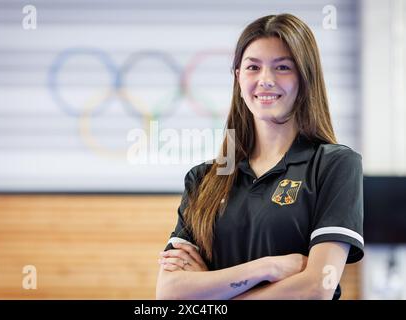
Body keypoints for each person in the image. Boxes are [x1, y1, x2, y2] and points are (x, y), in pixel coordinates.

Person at [156, 13, 364, 300]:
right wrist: (269, 267)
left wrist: (211, 292)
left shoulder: (334, 165)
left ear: (305, 79)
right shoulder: (203, 179)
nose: (266, 80)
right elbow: (169, 293)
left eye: (282, 67)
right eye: (253, 67)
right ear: (238, 77)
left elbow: (318, 288)